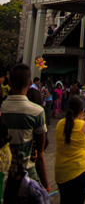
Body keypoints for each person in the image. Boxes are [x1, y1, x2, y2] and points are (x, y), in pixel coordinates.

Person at [1, 63, 50, 196]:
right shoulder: (37, 112)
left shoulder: (1, 108)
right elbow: (40, 153)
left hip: (3, 175)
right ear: (29, 83)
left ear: (9, 83)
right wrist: (46, 187)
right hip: (26, 176)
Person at [55, 95, 85, 203]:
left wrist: (80, 120)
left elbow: (72, 124)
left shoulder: (60, 123)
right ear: (83, 110)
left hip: (60, 172)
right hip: (78, 172)